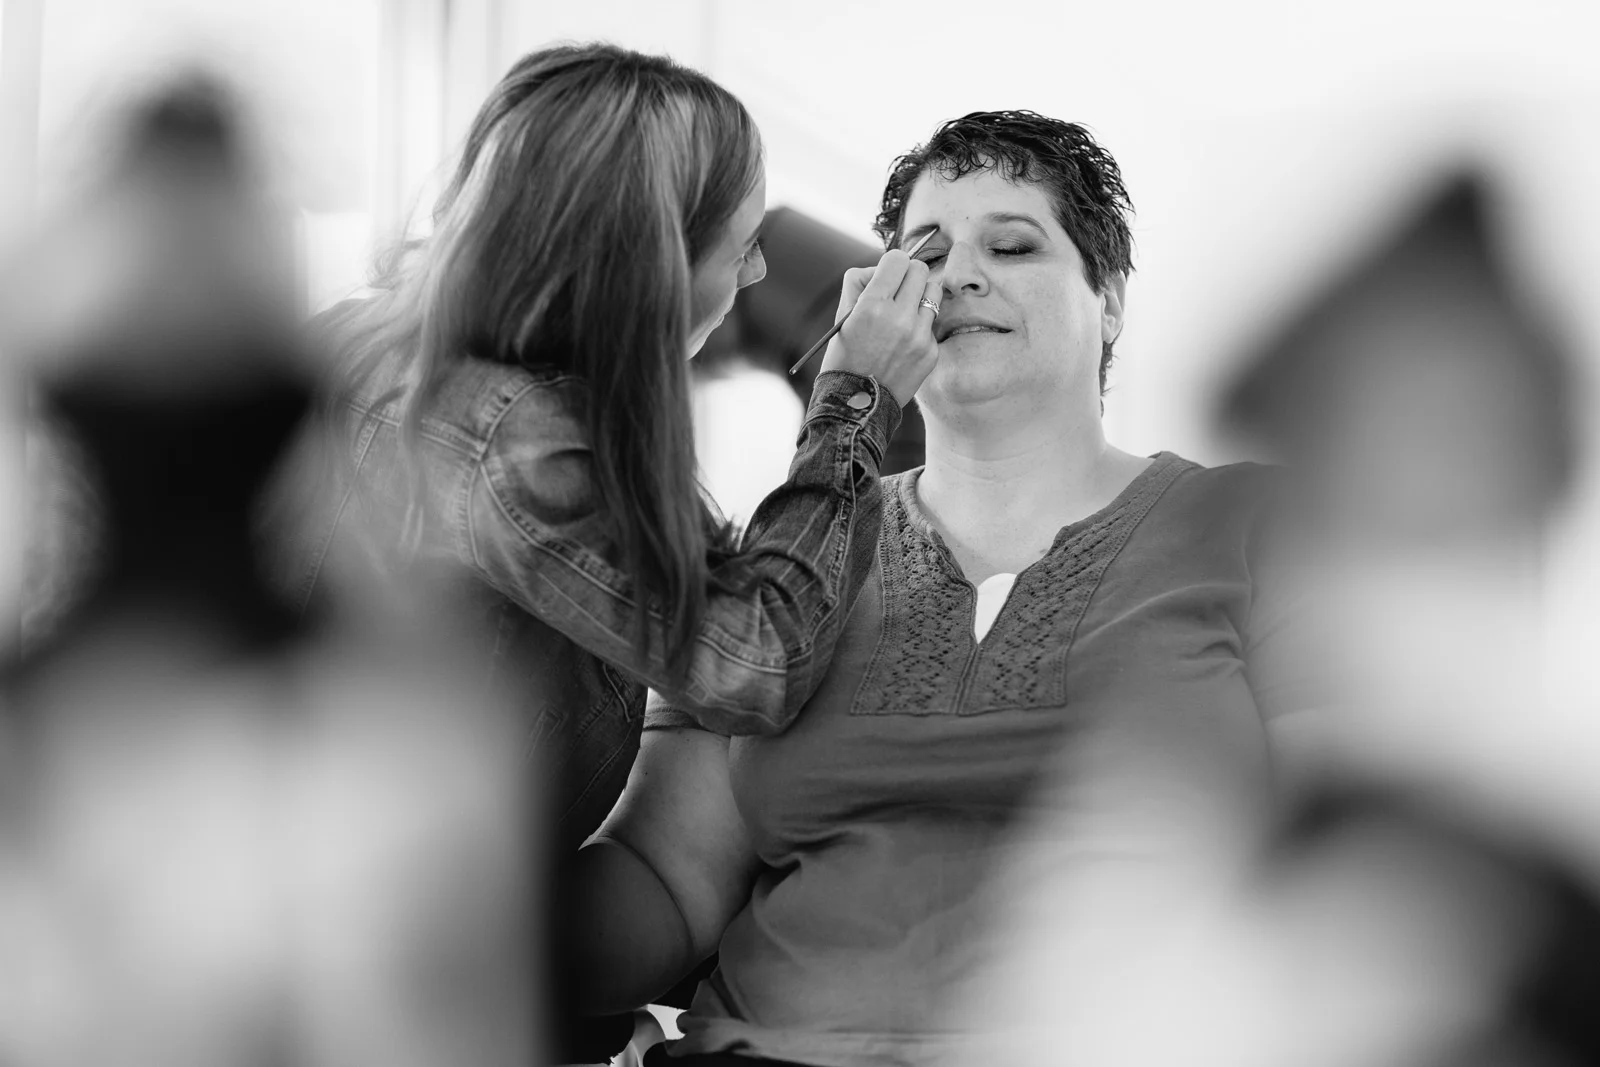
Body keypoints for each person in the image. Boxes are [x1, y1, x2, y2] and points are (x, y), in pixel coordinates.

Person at [560, 110, 1314, 1066]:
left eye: (1012, 245)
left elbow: (1365, 866)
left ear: (1112, 300)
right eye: (924, 253)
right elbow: (667, 880)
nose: (958, 276)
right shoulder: (785, 557)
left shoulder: (1261, 531)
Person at [279, 43, 942, 855]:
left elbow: (684, 581)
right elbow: (754, 661)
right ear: (649, 272)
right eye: (741, 249)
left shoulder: (371, 340)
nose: (760, 271)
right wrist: (855, 399)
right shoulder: (517, 442)